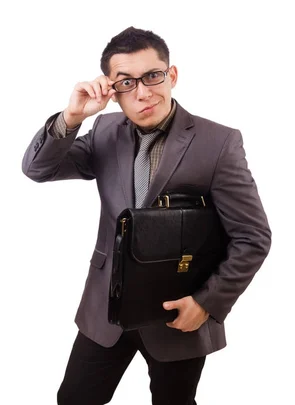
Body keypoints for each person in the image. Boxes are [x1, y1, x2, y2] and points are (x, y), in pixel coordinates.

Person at [22, 27, 271, 405]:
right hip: (105, 307)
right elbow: (39, 169)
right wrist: (71, 117)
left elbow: (253, 237)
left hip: (178, 313)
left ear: (171, 75)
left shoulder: (218, 143)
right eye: (127, 82)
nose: (143, 92)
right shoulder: (104, 130)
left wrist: (206, 302)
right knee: (73, 398)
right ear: (112, 89)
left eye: (152, 76)